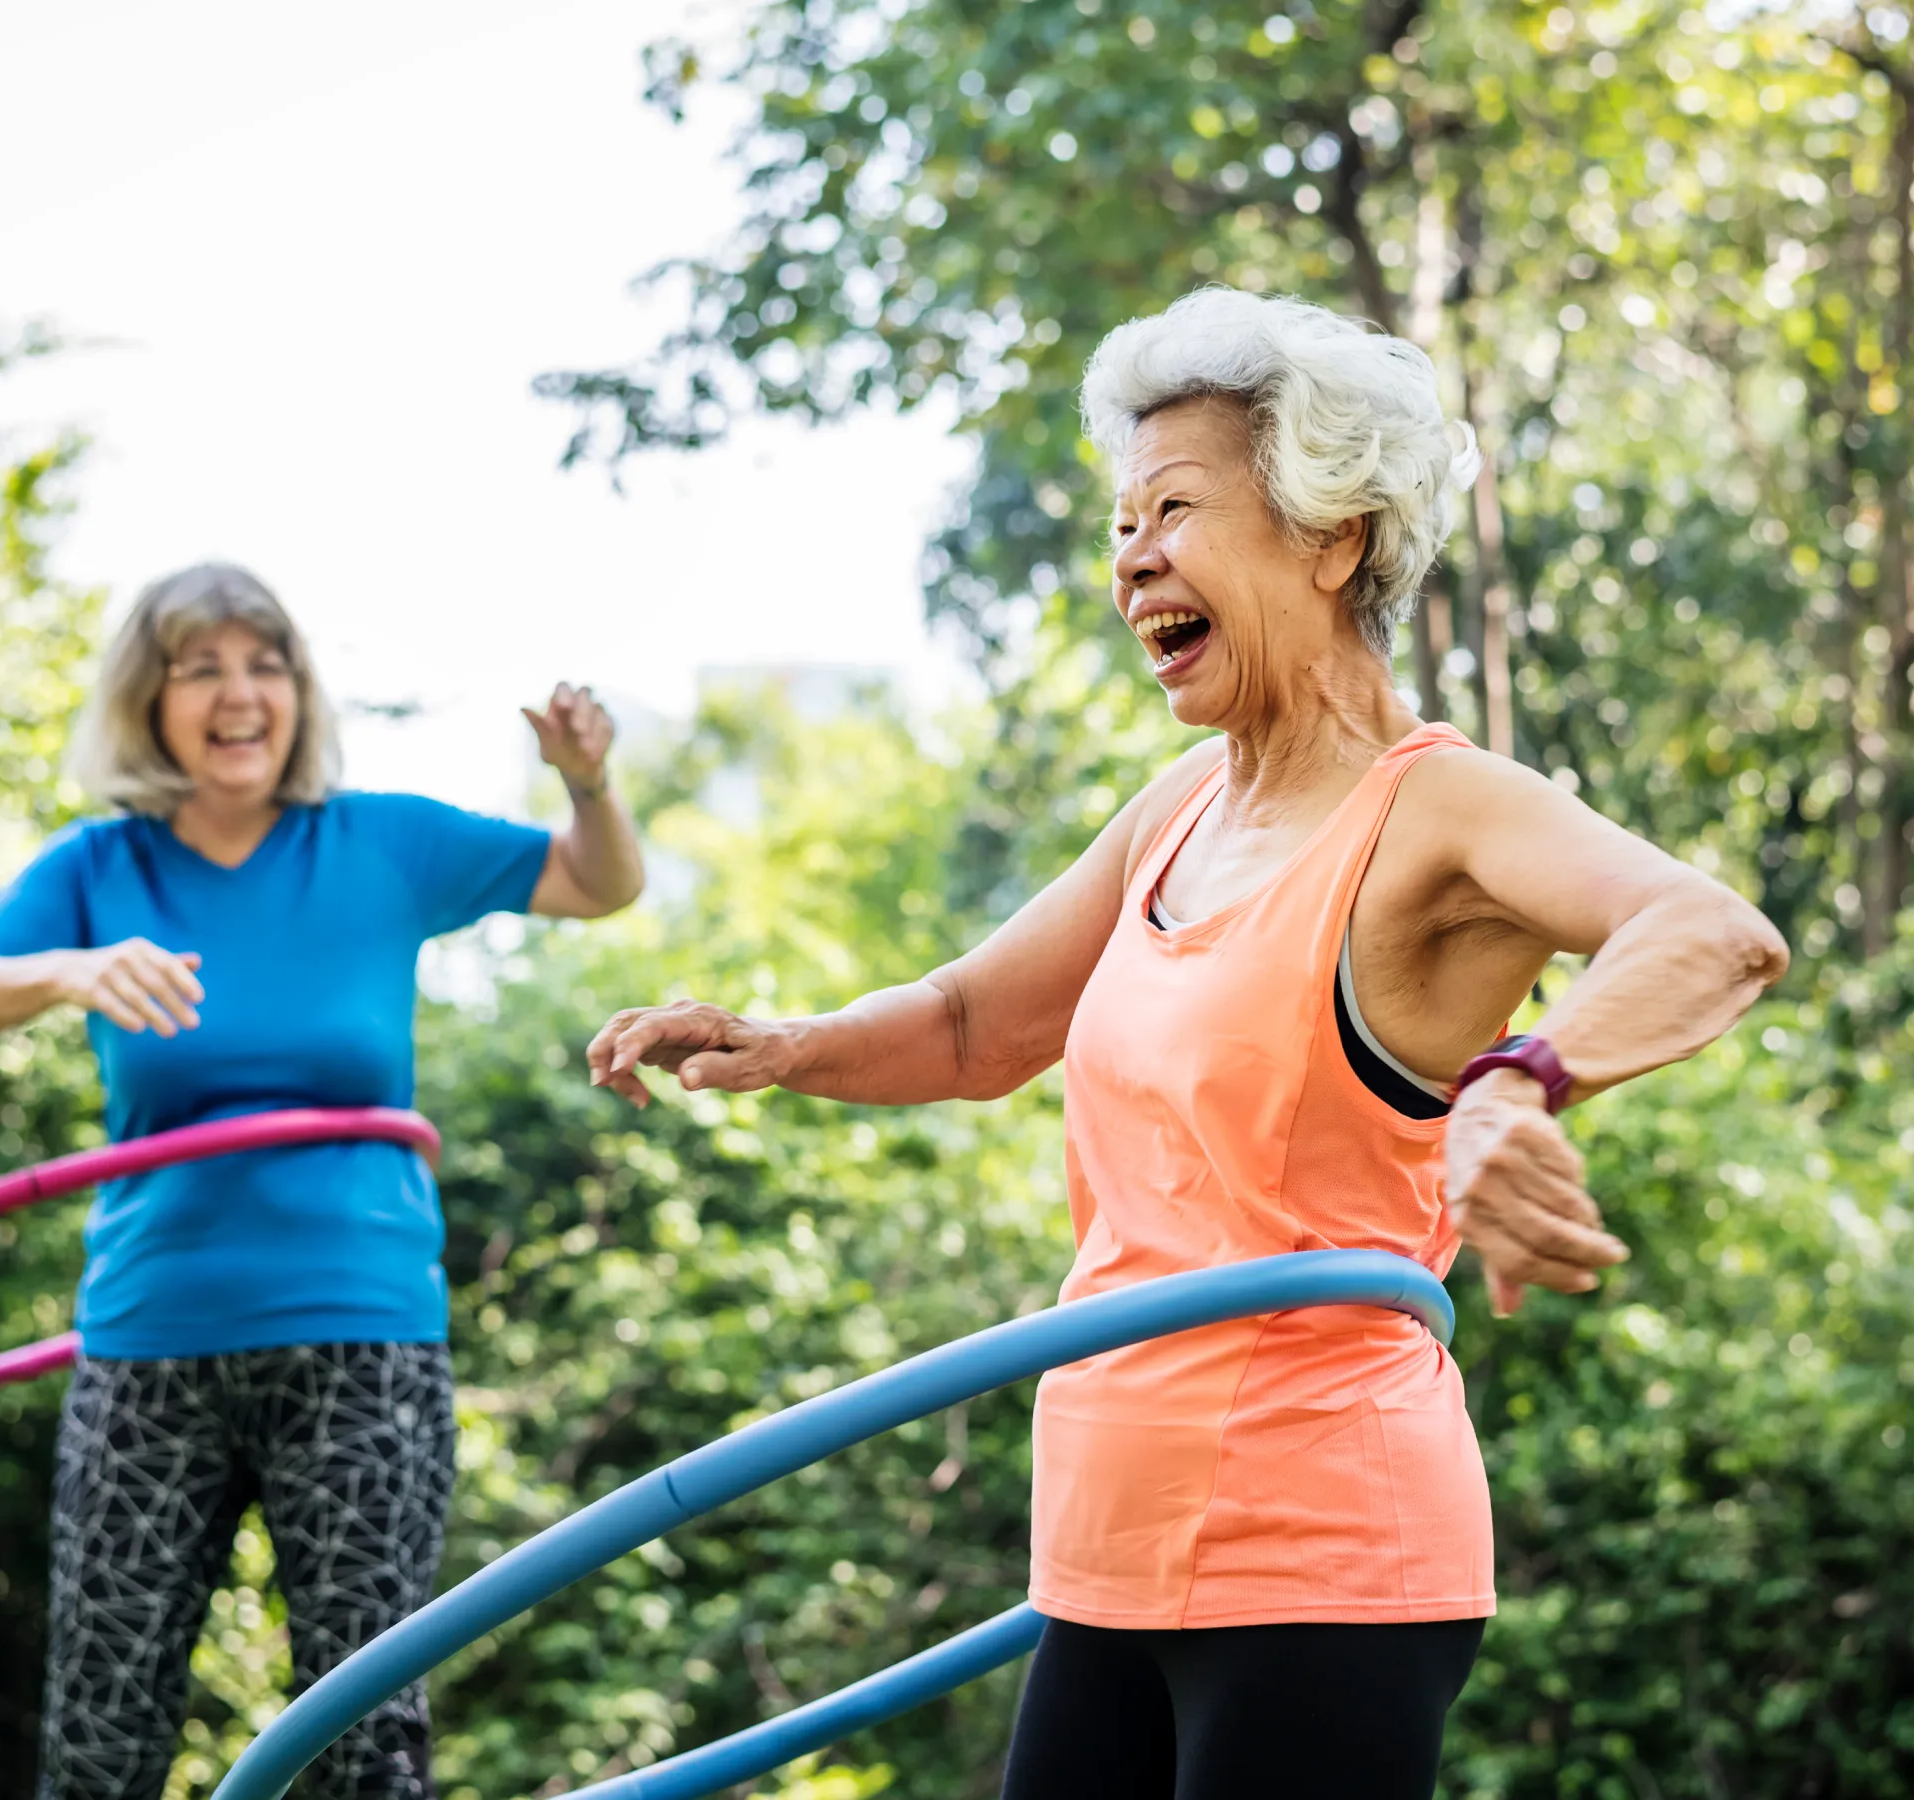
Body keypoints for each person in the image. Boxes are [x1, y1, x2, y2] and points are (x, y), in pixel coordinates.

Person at [584, 289, 1789, 1800]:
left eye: (1175, 510)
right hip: (1102, 1558)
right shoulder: (1179, 811)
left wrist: (1519, 1083)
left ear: (1331, 533)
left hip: (1320, 1554)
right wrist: (780, 1043)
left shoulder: (1440, 810)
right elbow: (972, 1025)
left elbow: (1713, 931)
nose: (1131, 557)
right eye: (1118, 524)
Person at [0, 563, 644, 1800]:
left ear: (297, 691)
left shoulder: (381, 842)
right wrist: (65, 971)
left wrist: (589, 782)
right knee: (99, 1739)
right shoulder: (98, 869)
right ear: (151, 698)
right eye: (202, 667)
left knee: (365, 1745)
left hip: (361, 1343)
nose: (240, 695)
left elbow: (597, 883)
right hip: (145, 1347)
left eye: (265, 663)